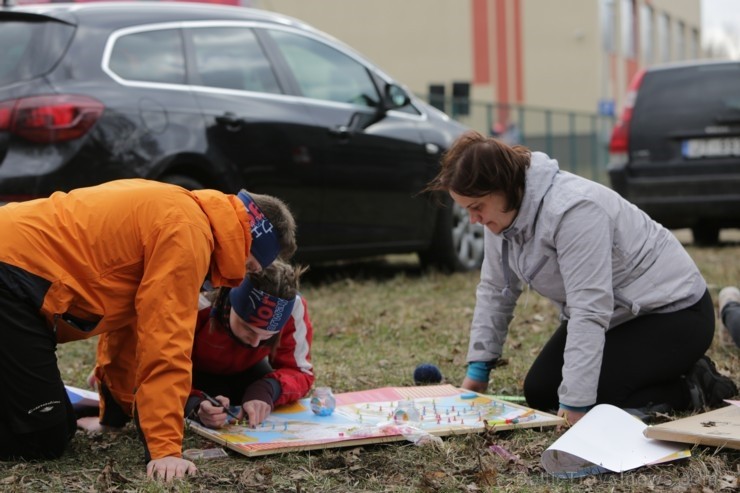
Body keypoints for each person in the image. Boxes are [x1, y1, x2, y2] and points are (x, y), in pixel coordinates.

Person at [424, 130, 737, 427]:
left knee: (598, 397)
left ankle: (695, 384)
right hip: (617, 315)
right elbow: (496, 291)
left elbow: (589, 307)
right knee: (541, 392)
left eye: (476, 207)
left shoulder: (574, 211)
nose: (473, 219)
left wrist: (576, 407)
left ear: (504, 186)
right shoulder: (500, 218)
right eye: (466, 209)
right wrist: (479, 369)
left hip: (673, 313)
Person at [0, 179, 296, 481]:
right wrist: (165, 450)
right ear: (248, 244)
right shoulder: (188, 233)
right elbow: (166, 343)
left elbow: (127, 328)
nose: (242, 275)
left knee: (58, 421)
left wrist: (113, 417)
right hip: (12, 279)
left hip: (16, 276)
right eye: (251, 268)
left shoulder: (184, 212)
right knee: (43, 435)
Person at [185, 260, 314, 429]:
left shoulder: (293, 308)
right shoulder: (196, 305)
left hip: (248, 372)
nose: (255, 343)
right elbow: (160, 370)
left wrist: (266, 391)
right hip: (192, 374)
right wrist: (193, 404)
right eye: (248, 328)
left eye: (268, 336)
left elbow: (300, 371)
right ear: (231, 304)